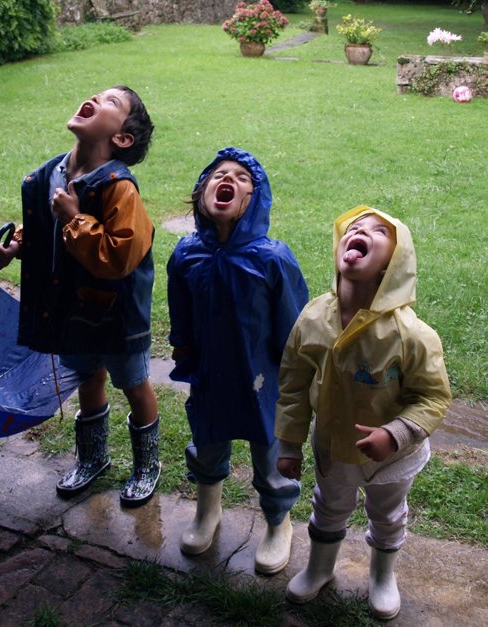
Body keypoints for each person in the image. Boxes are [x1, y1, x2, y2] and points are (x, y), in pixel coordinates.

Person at [275, 205, 451, 619]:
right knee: (328, 506)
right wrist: (289, 442)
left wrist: (396, 434)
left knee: (387, 514)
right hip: (333, 447)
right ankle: (320, 567)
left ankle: (382, 575)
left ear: (394, 262)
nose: (361, 230)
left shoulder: (412, 336)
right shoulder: (313, 317)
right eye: (354, 227)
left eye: (378, 231)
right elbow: (294, 382)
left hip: (393, 458)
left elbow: (433, 397)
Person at [0, 86, 160, 507]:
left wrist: (76, 218)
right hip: (71, 307)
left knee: (133, 383)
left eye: (111, 103)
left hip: (118, 313)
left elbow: (120, 258)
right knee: (87, 377)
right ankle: (93, 458)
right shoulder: (52, 174)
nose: (96, 99)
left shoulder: (120, 189)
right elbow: (48, 231)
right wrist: (18, 246)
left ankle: (147, 464)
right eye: (98, 95)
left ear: (122, 139)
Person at [167, 147, 309, 574]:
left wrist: (298, 374)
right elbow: (180, 307)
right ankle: (208, 511)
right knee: (207, 443)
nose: (227, 179)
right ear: (203, 191)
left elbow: (294, 321)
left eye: (242, 177)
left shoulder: (273, 258)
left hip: (265, 380)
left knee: (271, 453)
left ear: (255, 198)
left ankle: (278, 522)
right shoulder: (186, 253)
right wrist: (182, 343)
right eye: (218, 174)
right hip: (210, 375)